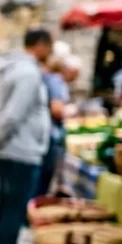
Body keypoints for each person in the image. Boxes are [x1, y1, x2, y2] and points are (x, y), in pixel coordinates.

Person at [0, 29, 53, 244]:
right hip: (21, 150)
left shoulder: (7, 70)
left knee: (5, 207)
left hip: (9, 149)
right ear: (40, 45)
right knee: (12, 209)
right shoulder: (28, 74)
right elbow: (13, 114)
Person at [37, 54, 80, 198]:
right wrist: (71, 110)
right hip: (51, 134)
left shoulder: (49, 79)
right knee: (44, 176)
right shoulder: (56, 81)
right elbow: (57, 109)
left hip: (47, 133)